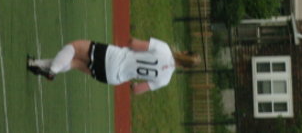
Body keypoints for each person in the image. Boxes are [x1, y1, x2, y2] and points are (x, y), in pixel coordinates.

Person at [27, 36, 200, 94]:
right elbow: (137, 90)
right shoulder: (165, 80)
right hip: (113, 77)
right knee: (75, 63)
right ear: (185, 68)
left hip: (112, 57)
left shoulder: (164, 49)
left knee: (74, 47)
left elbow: (134, 43)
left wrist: (131, 43)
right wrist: (133, 82)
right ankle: (35, 64)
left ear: (184, 52)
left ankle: (52, 70)